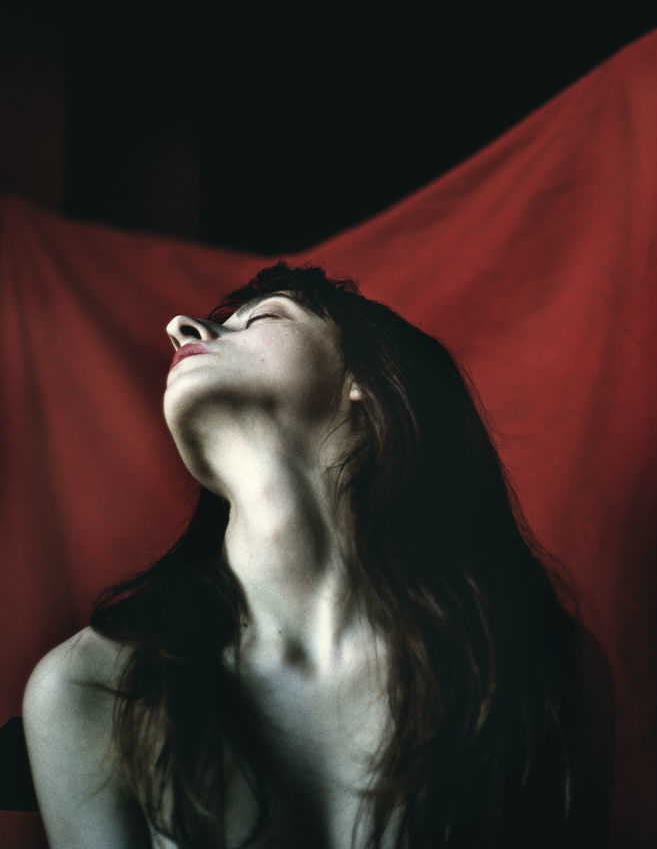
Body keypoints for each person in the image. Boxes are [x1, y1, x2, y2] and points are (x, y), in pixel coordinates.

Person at [23, 261, 613, 847]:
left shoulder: (546, 668)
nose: (183, 328)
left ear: (367, 386)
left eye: (262, 319)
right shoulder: (87, 689)